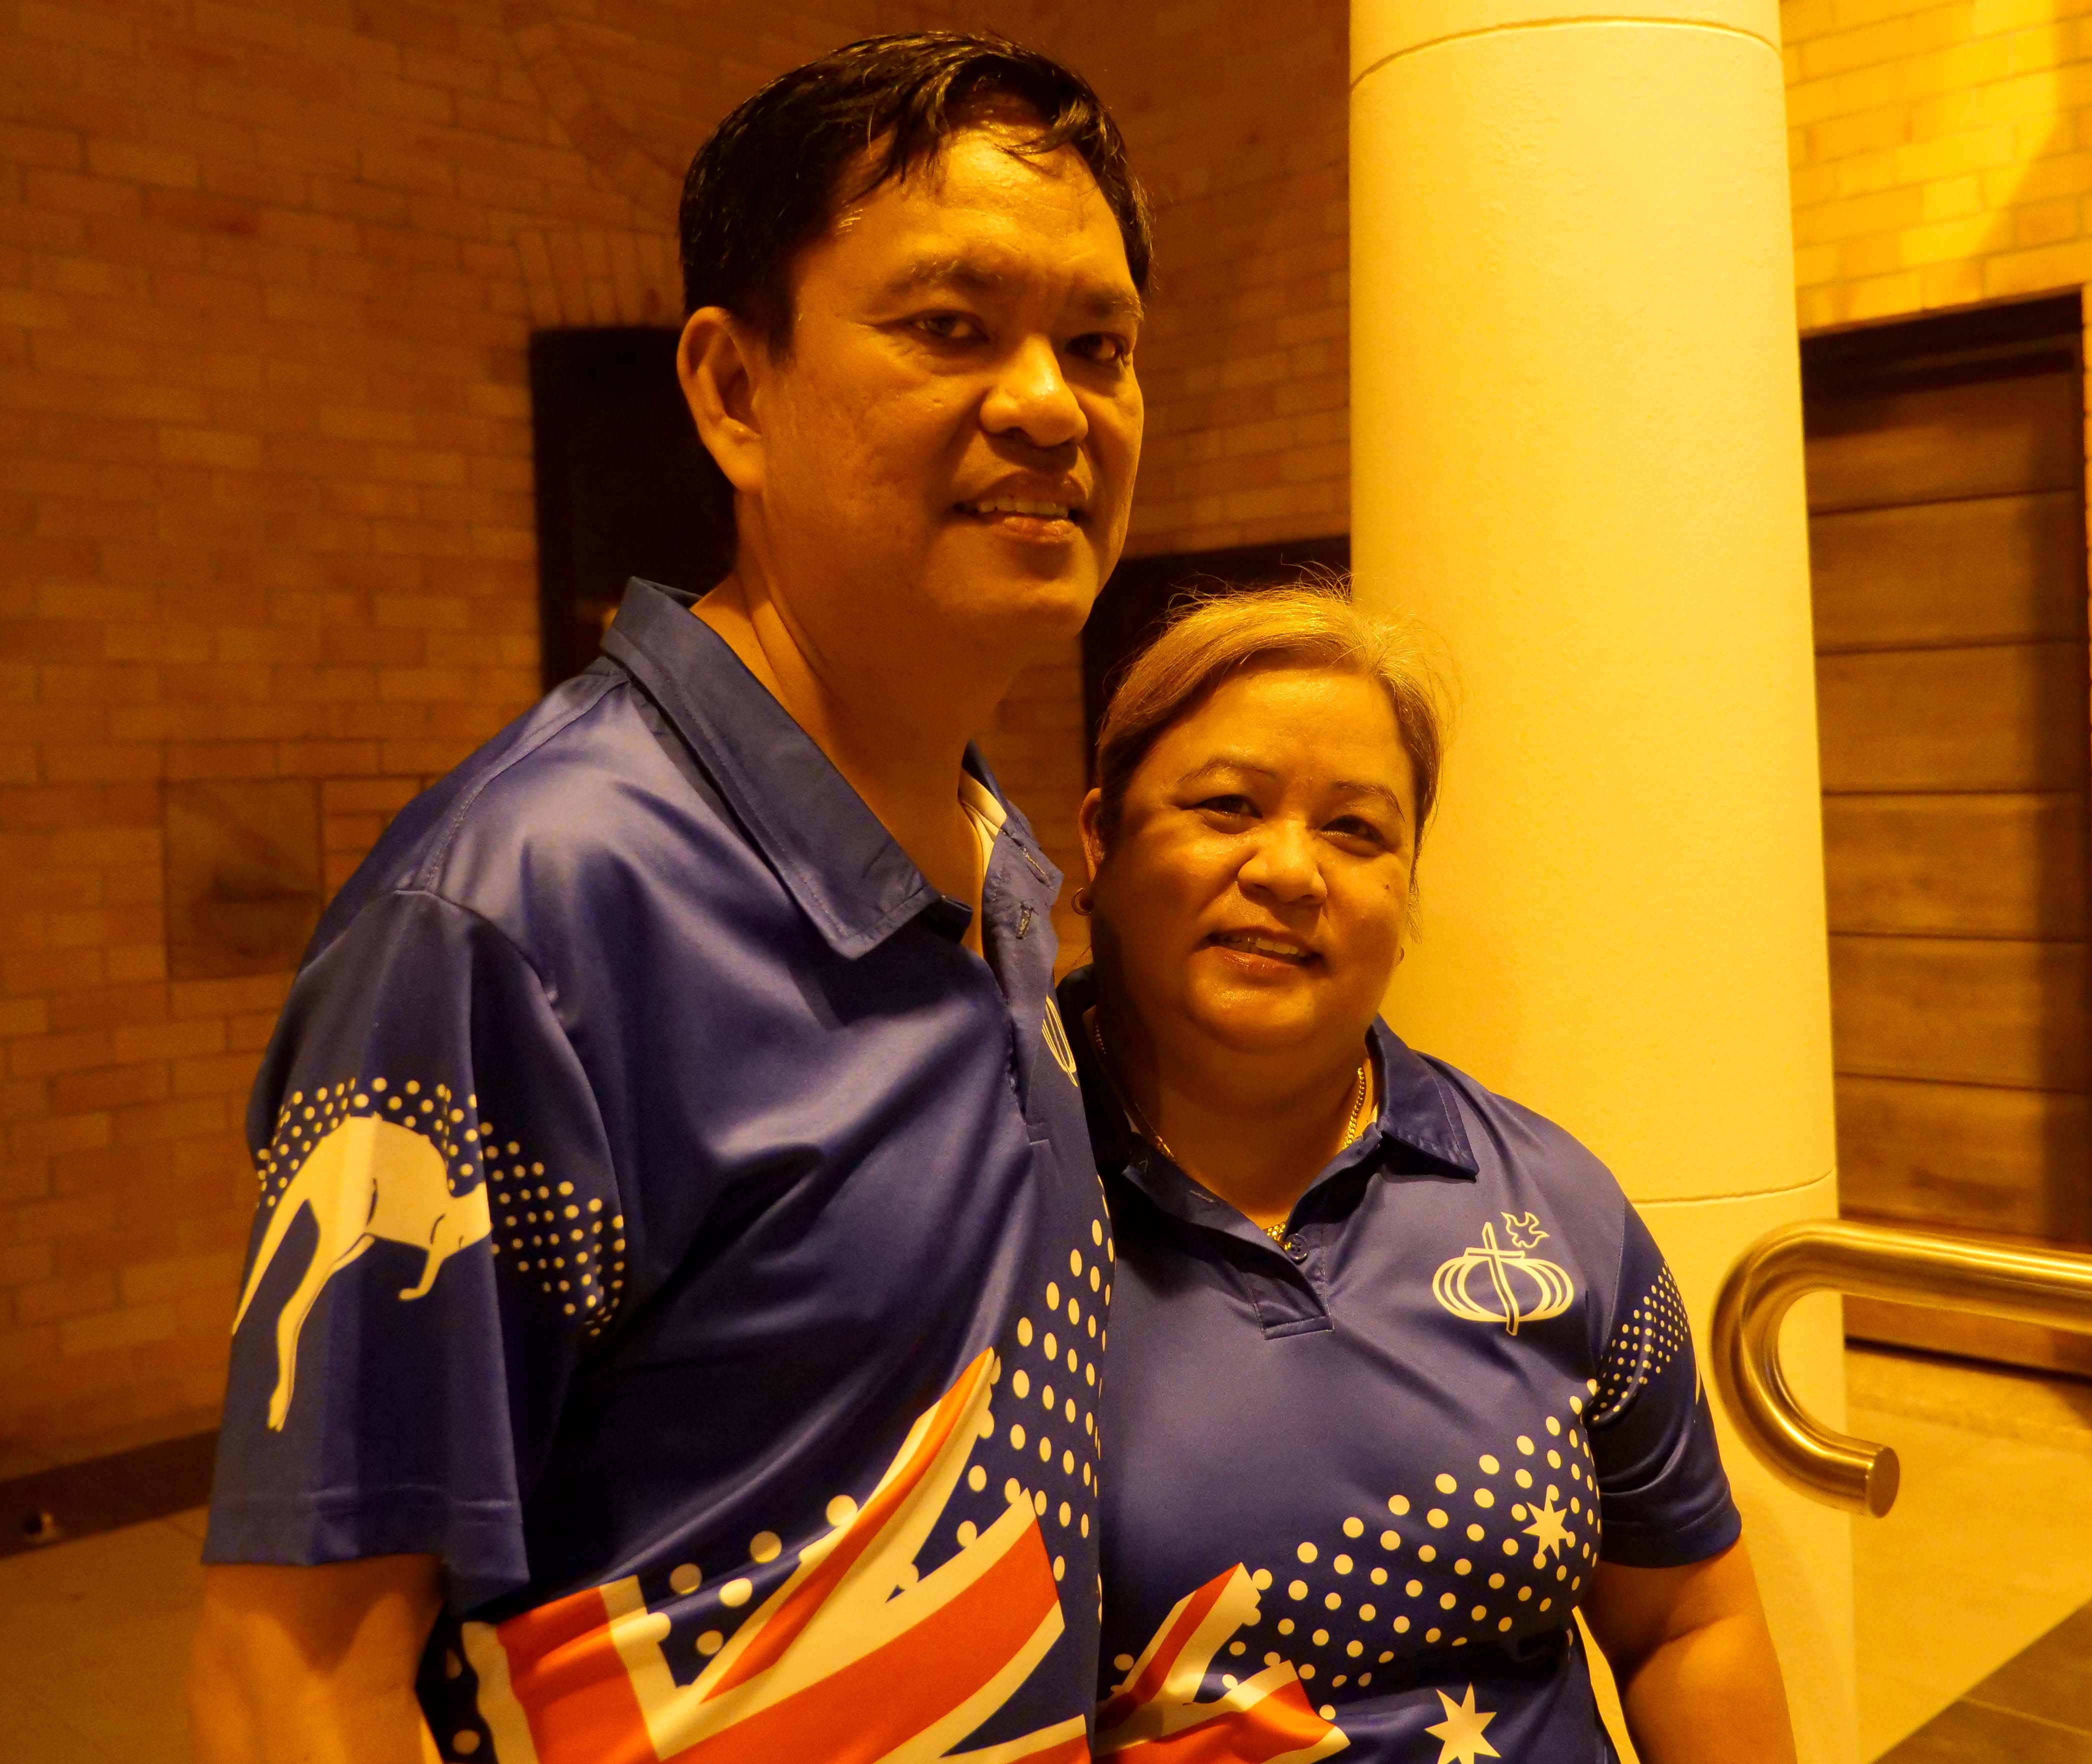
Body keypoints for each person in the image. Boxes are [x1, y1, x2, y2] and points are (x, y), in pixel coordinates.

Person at [187, 32, 1146, 1764]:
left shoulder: (1000, 856)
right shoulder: (520, 913)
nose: (1049, 402)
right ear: (730, 391)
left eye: (1100, 343)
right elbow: (290, 1683)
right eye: (950, 325)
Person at [1064, 585, 1798, 1764]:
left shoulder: (1556, 1206)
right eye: (1229, 807)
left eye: (1357, 830)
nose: (1291, 871)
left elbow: (1686, 1623)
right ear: (1099, 840)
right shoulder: (989, 1191)